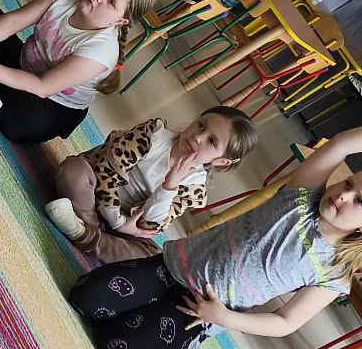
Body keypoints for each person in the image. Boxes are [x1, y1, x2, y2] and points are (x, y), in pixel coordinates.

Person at [69, 127, 362, 349]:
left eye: (359, 201)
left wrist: (223, 318)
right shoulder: (301, 195)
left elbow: (286, 322)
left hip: (202, 311)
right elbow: (340, 143)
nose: (343, 195)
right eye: (348, 184)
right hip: (172, 268)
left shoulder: (336, 272)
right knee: (83, 297)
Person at [0, 0, 156, 143]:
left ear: (119, 22)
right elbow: (12, 22)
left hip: (51, 103)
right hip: (23, 64)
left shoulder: (102, 51)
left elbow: (43, 86)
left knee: (22, 122)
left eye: (111, 2)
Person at [45, 107, 256, 258]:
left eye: (212, 141)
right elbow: (107, 169)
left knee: (151, 256)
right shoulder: (154, 134)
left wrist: (169, 186)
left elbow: (151, 225)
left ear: (221, 161)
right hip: (96, 193)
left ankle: (82, 232)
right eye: (201, 125)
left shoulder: (194, 189)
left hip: (127, 224)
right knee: (72, 171)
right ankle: (92, 233)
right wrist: (116, 222)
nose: (198, 137)